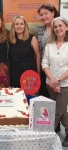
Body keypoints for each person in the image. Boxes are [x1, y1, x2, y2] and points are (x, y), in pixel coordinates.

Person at [42, 16, 68, 147]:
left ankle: (47, 137)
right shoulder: (49, 45)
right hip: (50, 85)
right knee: (62, 111)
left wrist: (58, 81)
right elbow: (44, 63)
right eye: (55, 27)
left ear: (66, 27)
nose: (58, 29)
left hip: (65, 85)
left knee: (56, 113)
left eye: (60, 26)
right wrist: (53, 81)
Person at [37, 3, 60, 132]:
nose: (44, 16)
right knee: (46, 98)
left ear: (53, 13)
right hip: (44, 70)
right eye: (41, 14)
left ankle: (59, 127)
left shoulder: (59, 28)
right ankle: (49, 125)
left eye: (46, 13)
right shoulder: (39, 31)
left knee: (60, 101)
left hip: (59, 71)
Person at [9, 15, 40, 88]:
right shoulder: (10, 40)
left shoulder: (32, 38)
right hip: (15, 74)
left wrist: (38, 73)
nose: (19, 26)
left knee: (29, 97)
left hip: (29, 74)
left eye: (21, 24)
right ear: (13, 26)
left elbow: (38, 55)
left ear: (25, 26)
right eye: (16, 24)